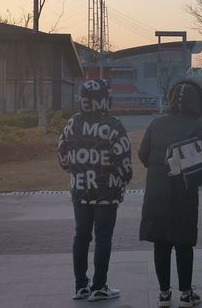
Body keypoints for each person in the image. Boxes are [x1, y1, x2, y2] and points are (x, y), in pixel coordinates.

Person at [57, 79, 133, 302]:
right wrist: (123, 179)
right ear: (105, 100)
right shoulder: (113, 125)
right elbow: (124, 161)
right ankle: (99, 286)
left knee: (81, 235)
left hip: (80, 189)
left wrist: (77, 172)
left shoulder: (73, 123)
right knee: (103, 238)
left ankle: (81, 286)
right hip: (107, 191)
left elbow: (62, 155)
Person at [139, 80, 202, 308]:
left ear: (171, 99)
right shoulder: (196, 126)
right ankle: (186, 294)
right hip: (184, 192)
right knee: (183, 243)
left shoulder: (156, 123)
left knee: (161, 243)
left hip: (157, 190)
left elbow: (143, 154)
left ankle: (164, 295)